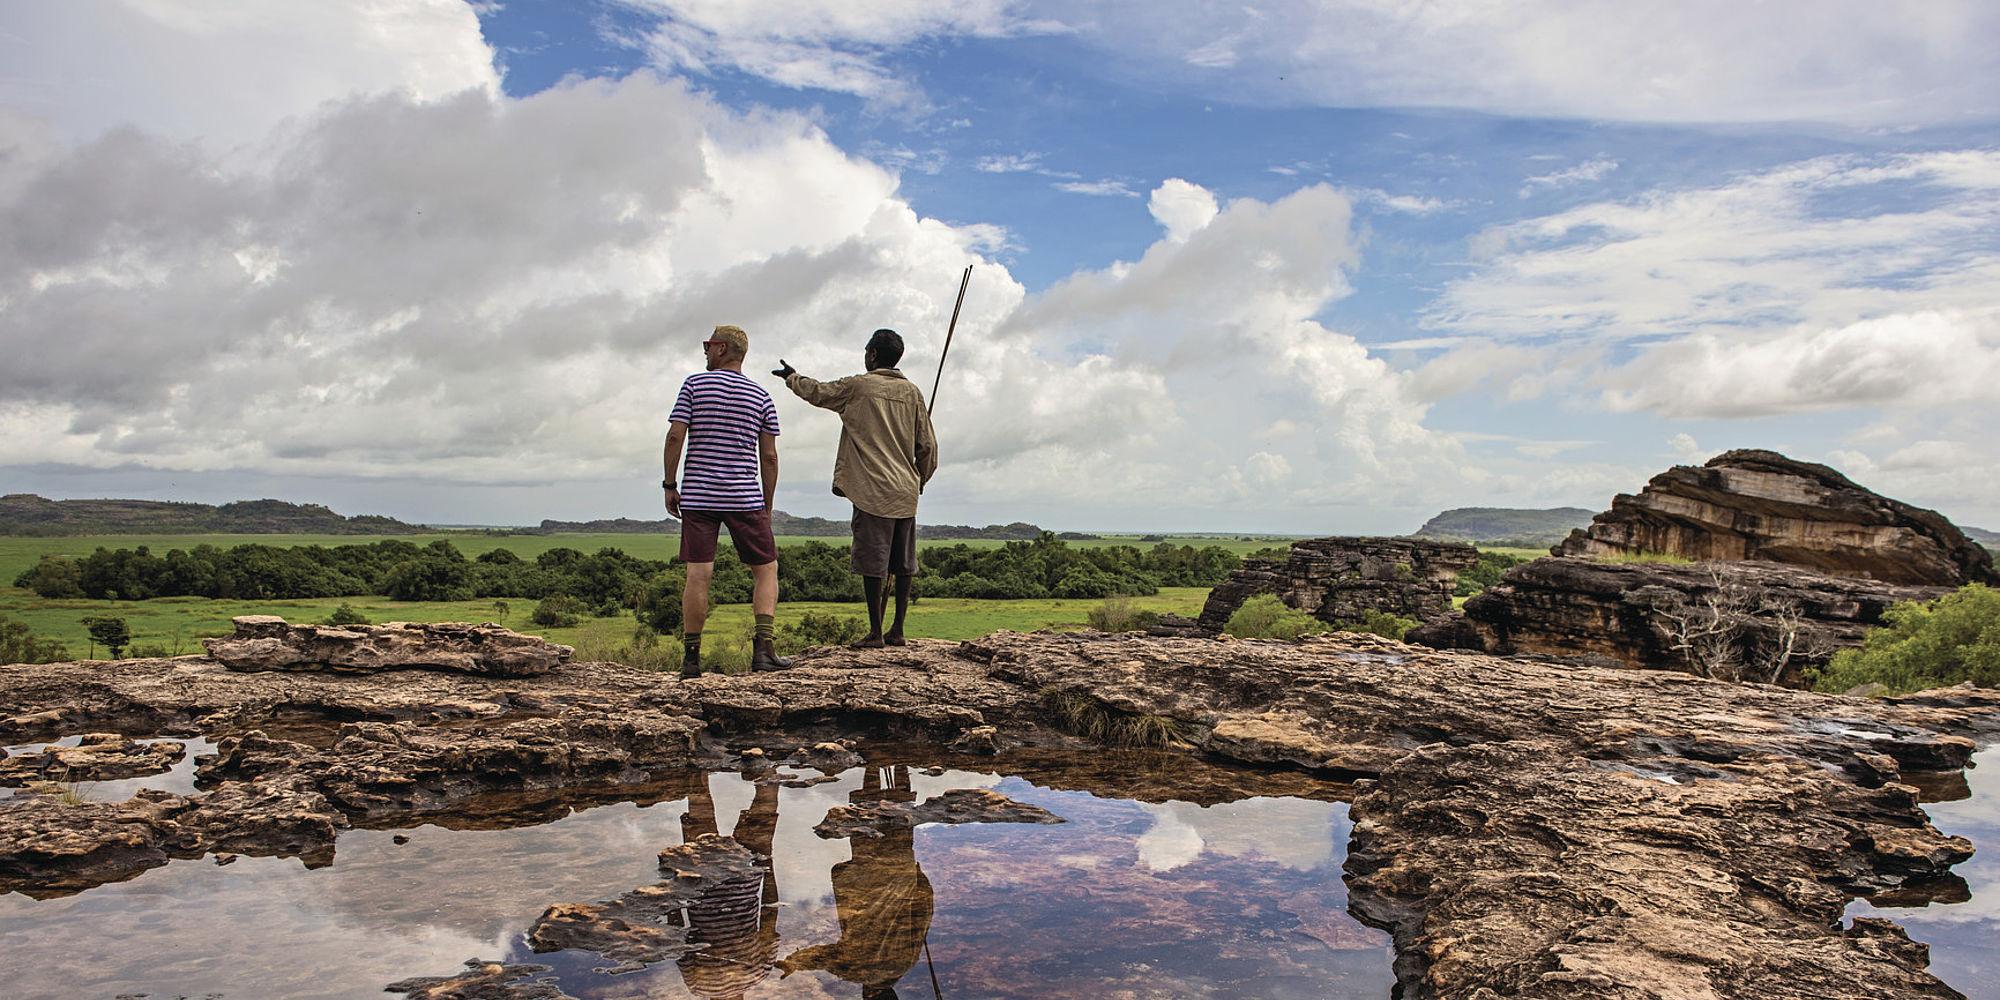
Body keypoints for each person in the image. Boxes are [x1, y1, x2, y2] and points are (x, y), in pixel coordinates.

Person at [773, 329, 938, 648]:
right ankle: (898, 630)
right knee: (903, 565)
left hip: (873, 491)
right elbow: (927, 446)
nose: (864, 356)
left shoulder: (859, 387)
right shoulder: (913, 393)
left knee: (873, 563)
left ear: (873, 355)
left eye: (866, 352)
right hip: (905, 491)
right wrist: (918, 481)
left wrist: (792, 377)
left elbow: (819, 392)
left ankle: (876, 632)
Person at [664, 324, 792, 676]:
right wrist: (766, 504)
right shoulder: (761, 396)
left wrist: (670, 483)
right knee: (766, 570)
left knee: (699, 573)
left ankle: (691, 660)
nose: (705, 350)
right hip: (744, 495)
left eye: (708, 344)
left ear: (722, 348)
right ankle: (764, 651)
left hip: (699, 494)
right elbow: (769, 457)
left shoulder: (693, 385)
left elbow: (676, 435)